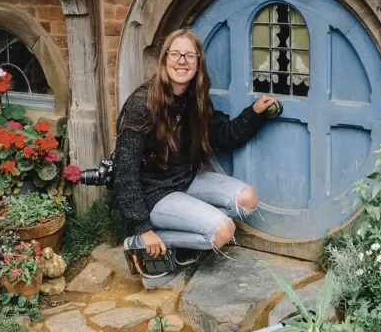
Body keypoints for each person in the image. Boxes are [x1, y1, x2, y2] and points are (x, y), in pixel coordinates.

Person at [113, 28, 278, 276]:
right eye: (175, 54)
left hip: (188, 180)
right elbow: (123, 171)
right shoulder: (141, 104)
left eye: (190, 56)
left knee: (248, 199)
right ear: (165, 58)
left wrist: (254, 113)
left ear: (198, 62)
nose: (182, 61)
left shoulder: (195, 98)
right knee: (223, 231)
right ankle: (143, 241)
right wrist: (142, 227)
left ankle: (189, 230)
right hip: (155, 194)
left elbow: (223, 136)